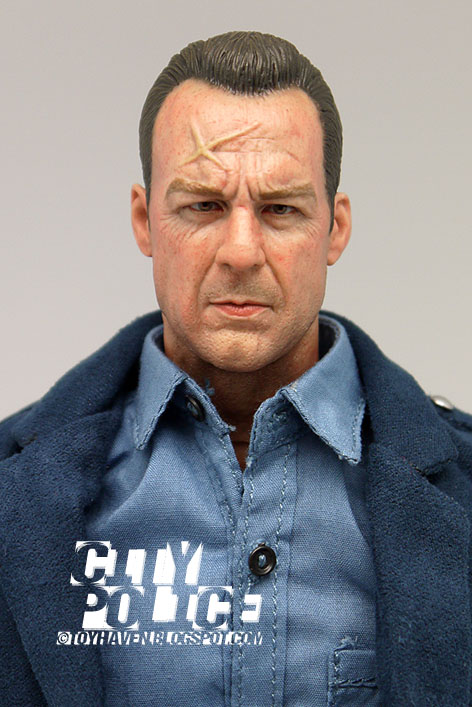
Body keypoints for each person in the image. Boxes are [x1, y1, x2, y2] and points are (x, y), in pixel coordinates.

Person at [0, 30, 471, 707]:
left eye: (280, 209)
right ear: (145, 219)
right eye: (203, 205)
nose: (241, 251)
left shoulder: (459, 491)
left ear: (335, 228)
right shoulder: (17, 491)